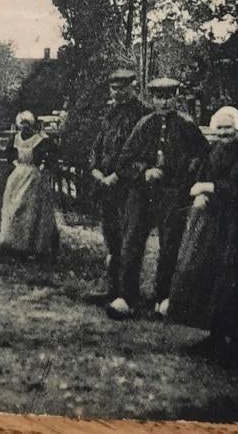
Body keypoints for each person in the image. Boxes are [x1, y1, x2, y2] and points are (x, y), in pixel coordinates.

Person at [168, 106, 238, 367]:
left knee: (234, 279)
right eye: (219, 128)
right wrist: (199, 191)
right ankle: (215, 335)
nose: (223, 133)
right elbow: (200, 176)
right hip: (212, 225)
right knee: (208, 276)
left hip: (236, 226)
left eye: (228, 128)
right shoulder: (212, 150)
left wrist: (208, 188)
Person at [107, 77, 209, 320]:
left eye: (168, 96)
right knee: (131, 242)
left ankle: (163, 298)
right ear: (152, 99)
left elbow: (203, 157)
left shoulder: (187, 126)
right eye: (158, 97)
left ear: (176, 98)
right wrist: (144, 171)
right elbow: (124, 162)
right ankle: (126, 298)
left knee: (170, 244)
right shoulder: (144, 125)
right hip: (142, 193)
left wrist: (185, 173)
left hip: (173, 193)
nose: (163, 102)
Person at [85, 69, 149, 304]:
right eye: (114, 88)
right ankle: (112, 289)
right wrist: (96, 170)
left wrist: (119, 175)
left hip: (131, 188)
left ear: (134, 87)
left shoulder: (144, 114)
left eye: (123, 88)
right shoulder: (110, 114)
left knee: (130, 241)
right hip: (107, 187)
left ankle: (128, 293)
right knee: (111, 238)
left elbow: (143, 153)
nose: (118, 93)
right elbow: (98, 145)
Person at [0, 110, 59, 259]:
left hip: (33, 176)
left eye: (27, 124)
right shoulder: (15, 138)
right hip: (18, 175)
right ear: (19, 125)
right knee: (13, 208)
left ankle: (29, 246)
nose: (24, 127)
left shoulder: (40, 140)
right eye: (22, 124)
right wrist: (15, 164)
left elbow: (52, 154)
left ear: (31, 125)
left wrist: (43, 166)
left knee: (30, 211)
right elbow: (8, 154)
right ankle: (11, 243)